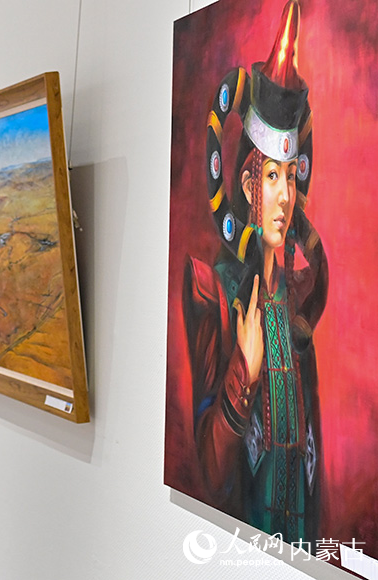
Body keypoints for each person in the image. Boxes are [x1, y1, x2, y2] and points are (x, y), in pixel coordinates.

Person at [183, 0, 328, 546]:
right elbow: (207, 470)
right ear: (247, 187)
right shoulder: (212, 291)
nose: (284, 197)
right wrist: (243, 373)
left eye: (291, 178)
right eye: (271, 176)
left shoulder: (298, 303)